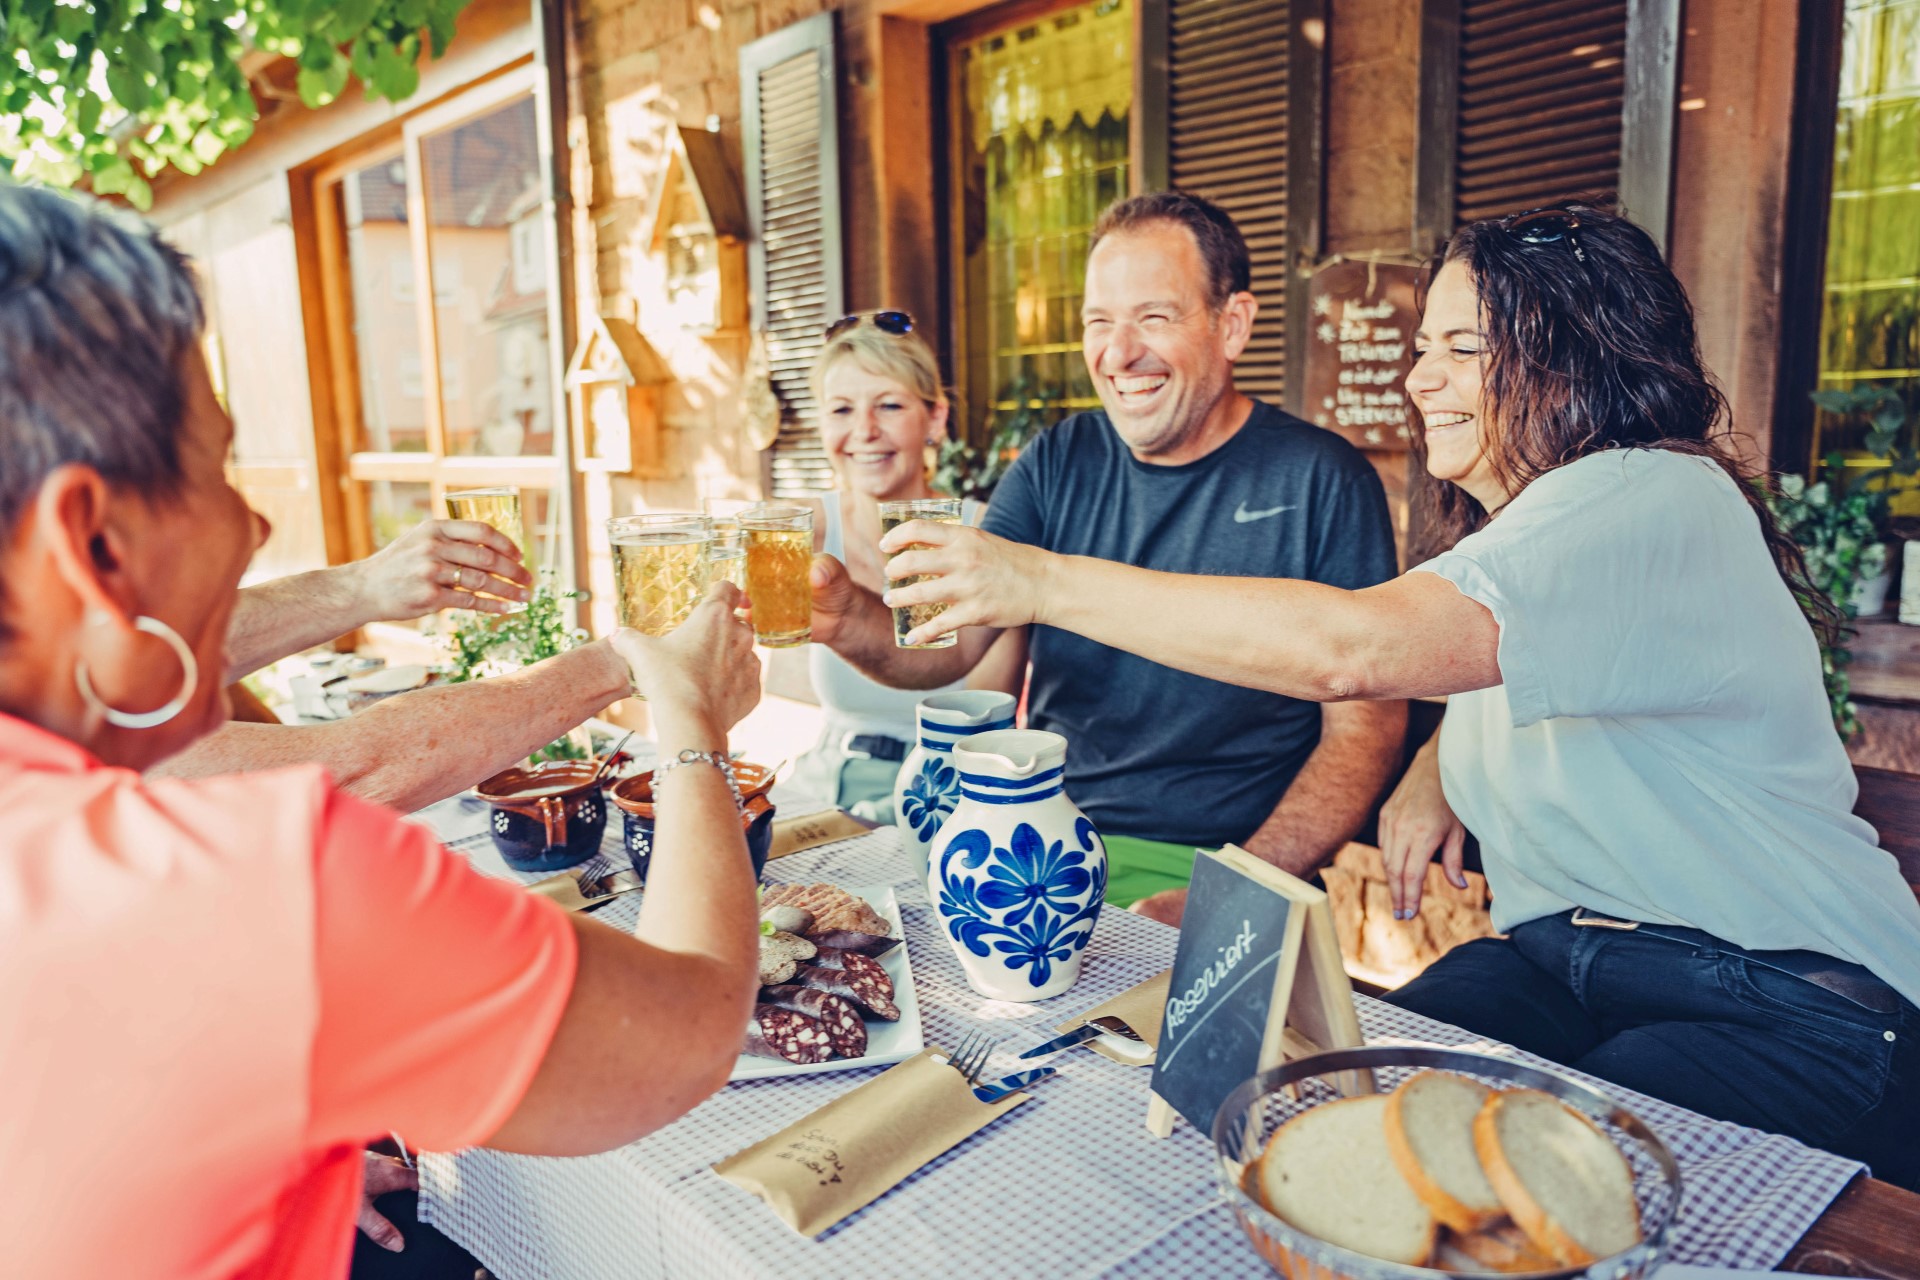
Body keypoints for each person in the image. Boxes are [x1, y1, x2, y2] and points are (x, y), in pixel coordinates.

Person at [871, 202, 1920, 1186]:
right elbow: (1515, 662)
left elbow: (1354, 653)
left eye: (1465, 347)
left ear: (1581, 359)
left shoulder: (1653, 490)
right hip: (1562, 963)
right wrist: (1437, 759)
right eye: (1423, 347)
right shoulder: (1528, 537)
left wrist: (1038, 576)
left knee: (1490, 1188)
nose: (1421, 379)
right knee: (1328, 1121)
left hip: (1785, 996)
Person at [0, 182, 766, 1277]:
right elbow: (686, 1032)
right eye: (216, 468)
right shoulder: (265, 884)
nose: (253, 521)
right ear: (93, 545)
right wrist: (687, 714)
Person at [809, 192, 1407, 918]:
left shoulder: (1322, 479)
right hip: (1043, 845)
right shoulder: (1057, 459)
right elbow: (945, 650)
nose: (1119, 354)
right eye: (1100, 323)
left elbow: (1366, 730)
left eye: (1153, 317)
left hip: (1223, 859)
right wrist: (843, 617)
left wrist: (1233, 888)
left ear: (1234, 324)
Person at [785, 314, 1022, 820]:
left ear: (934, 419)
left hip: (953, 795)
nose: (864, 431)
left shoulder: (988, 536)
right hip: (825, 786)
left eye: (889, 406)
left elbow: (987, 718)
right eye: (842, 409)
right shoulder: (799, 531)